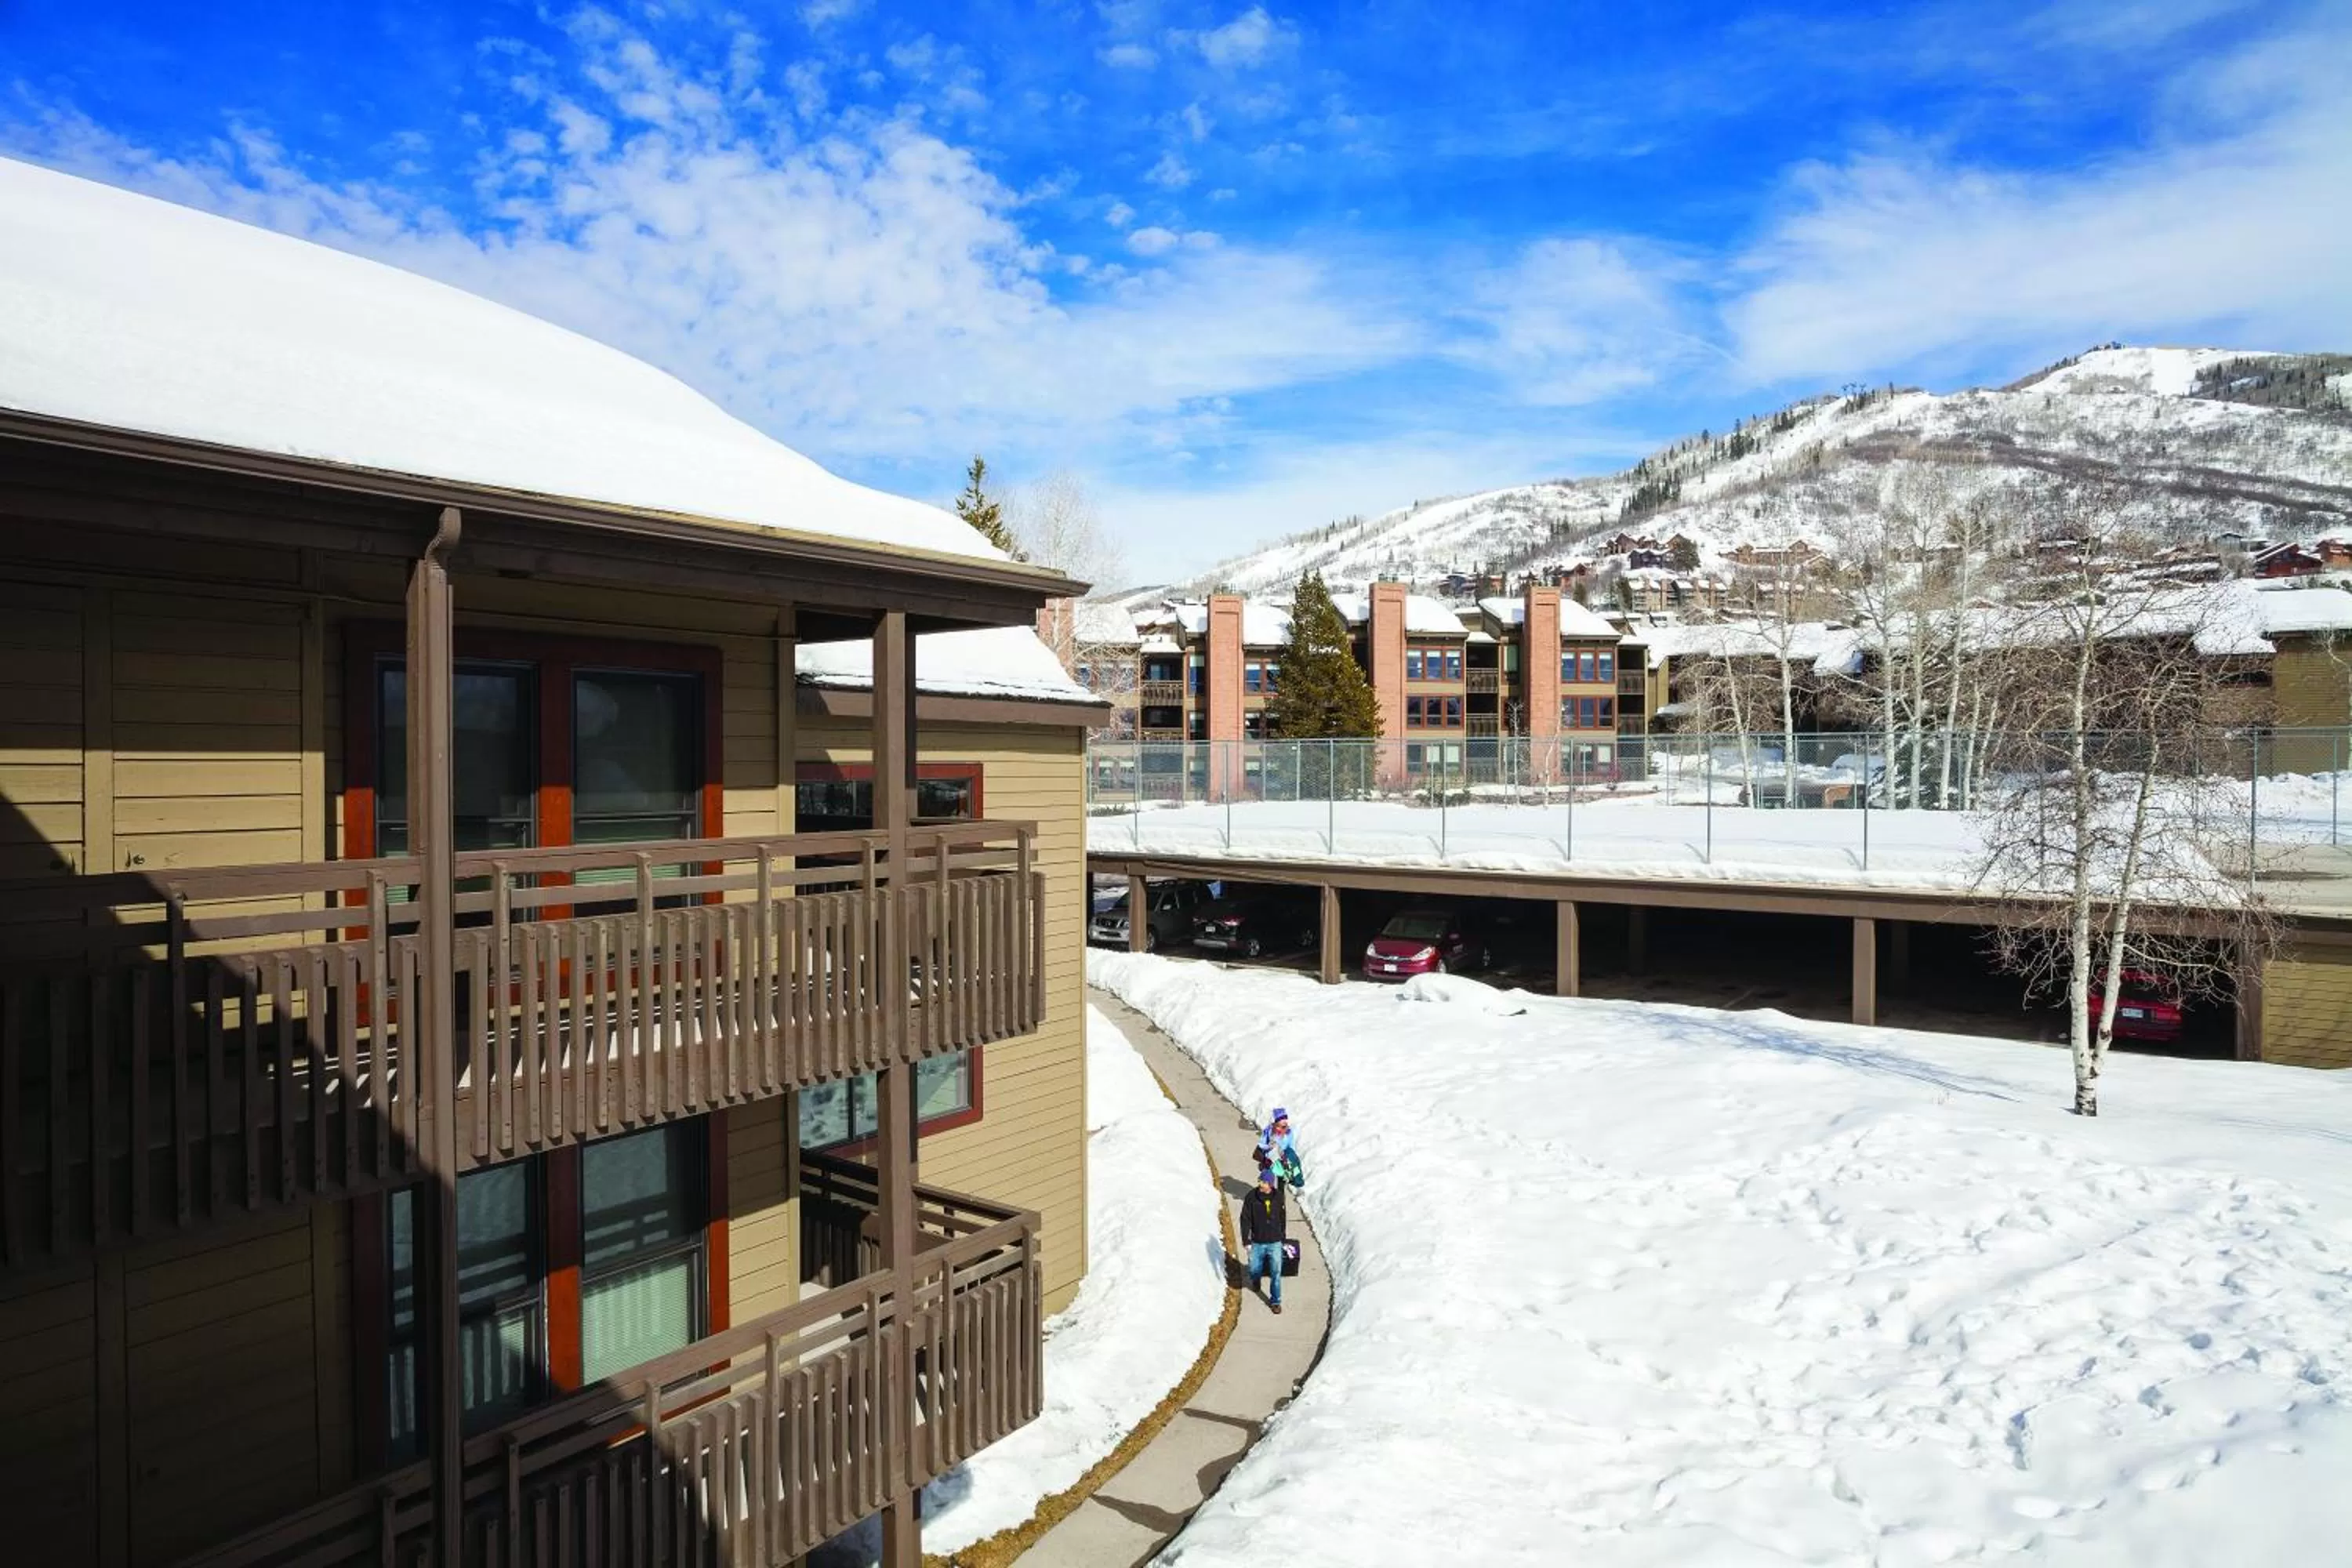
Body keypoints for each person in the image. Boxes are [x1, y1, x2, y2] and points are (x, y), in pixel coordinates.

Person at [1241, 1164, 1287, 1314]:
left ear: (1270, 1184)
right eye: (1260, 1181)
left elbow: (1282, 1217)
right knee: (1255, 1270)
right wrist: (1246, 1240)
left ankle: (1275, 1301)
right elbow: (1245, 1219)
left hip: (1275, 1241)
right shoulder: (1251, 1197)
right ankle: (1256, 1279)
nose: (1260, 1184)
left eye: (1264, 1182)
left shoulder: (1279, 1197)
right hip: (1257, 1242)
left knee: (1276, 1272)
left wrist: (1283, 1235)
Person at [1256, 1108, 1303, 1189]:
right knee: (1267, 1183)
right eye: (1280, 1125)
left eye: (1285, 1125)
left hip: (1283, 1162)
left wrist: (1287, 1157)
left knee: (1281, 1187)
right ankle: (1266, 1199)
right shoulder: (1269, 1131)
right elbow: (1261, 1144)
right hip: (1270, 1162)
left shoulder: (1289, 1133)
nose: (1283, 1127)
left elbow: (1291, 1147)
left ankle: (1279, 1201)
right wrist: (1269, 1147)